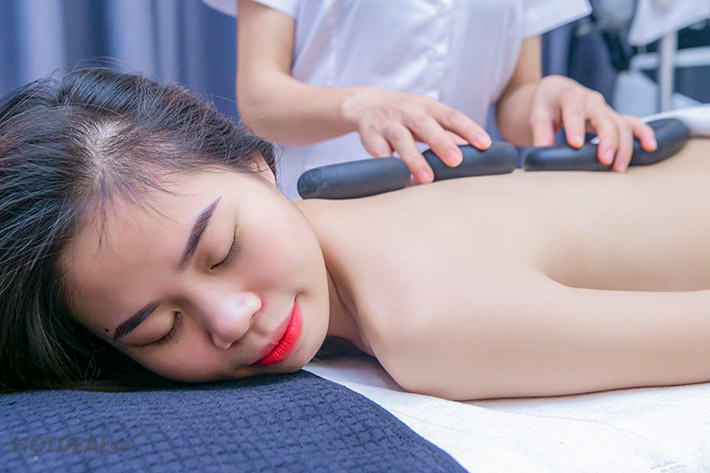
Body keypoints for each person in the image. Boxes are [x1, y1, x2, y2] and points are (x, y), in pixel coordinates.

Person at [1, 69, 709, 399]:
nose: (231, 320)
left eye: (222, 251)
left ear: (257, 163)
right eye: (159, 329)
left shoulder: (429, 324)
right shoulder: (340, 204)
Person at [206, 0, 659, 197]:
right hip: (322, 206)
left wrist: (554, 96)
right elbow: (260, 100)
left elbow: (515, 100)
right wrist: (359, 105)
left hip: (453, 212)